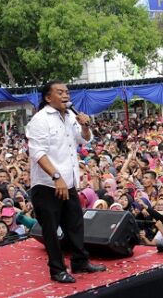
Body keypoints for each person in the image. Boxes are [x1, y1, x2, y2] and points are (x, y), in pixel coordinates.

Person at [26, 81, 106, 283]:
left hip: (69, 181)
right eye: (59, 92)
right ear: (47, 97)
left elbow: (84, 140)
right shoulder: (40, 120)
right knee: (51, 229)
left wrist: (85, 125)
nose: (65, 95)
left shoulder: (71, 116)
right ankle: (57, 269)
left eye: (67, 92)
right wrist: (56, 177)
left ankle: (80, 262)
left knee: (75, 223)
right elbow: (38, 153)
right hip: (47, 184)